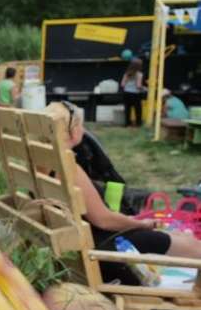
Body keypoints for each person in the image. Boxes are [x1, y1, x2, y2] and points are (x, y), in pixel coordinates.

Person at [47, 102, 201, 283]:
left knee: (180, 237)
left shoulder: (42, 164)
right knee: (191, 245)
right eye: (82, 125)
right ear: (73, 131)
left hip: (84, 248)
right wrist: (141, 224)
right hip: (106, 251)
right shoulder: (69, 168)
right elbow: (104, 220)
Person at [121, 57, 145, 128]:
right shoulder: (139, 74)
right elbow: (138, 86)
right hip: (135, 94)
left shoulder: (126, 73)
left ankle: (127, 124)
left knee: (127, 109)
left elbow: (122, 84)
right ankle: (138, 123)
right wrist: (145, 89)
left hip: (126, 93)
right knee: (138, 109)